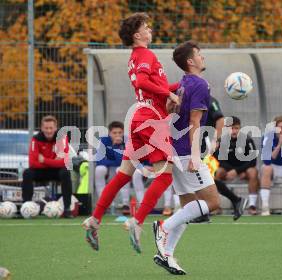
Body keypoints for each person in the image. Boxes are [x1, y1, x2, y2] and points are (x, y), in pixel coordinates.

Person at [81, 12, 180, 252]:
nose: (150, 30)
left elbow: (153, 86)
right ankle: (137, 221)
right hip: (150, 120)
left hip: (139, 117)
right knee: (165, 175)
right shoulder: (145, 53)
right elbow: (142, 83)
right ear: (137, 35)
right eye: (147, 27)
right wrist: (169, 94)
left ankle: (94, 220)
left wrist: (181, 85)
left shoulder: (136, 56)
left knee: (124, 173)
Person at [152, 40, 220, 275]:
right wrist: (194, 156)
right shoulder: (200, 84)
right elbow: (194, 122)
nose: (203, 58)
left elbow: (173, 112)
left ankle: (167, 253)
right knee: (213, 203)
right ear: (191, 61)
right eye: (200, 55)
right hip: (185, 151)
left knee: (189, 206)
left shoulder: (183, 83)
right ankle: (163, 226)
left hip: (174, 147)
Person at [21, 115, 73, 218]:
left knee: (66, 172)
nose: (49, 131)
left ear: (55, 128)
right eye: (46, 128)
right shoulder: (35, 139)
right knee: (27, 173)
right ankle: (26, 207)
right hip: (41, 171)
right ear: (41, 128)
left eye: (51, 128)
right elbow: (32, 163)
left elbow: (64, 162)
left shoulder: (62, 138)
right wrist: (54, 161)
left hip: (56, 171)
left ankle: (67, 209)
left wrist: (44, 160)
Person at [95, 121, 145, 214]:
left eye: (120, 133)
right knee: (99, 170)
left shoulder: (127, 141)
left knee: (121, 170)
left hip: (121, 168)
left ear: (123, 133)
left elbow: (122, 161)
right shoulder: (103, 140)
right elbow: (98, 161)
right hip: (109, 167)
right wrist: (114, 147)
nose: (117, 135)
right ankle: (103, 204)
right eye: (114, 133)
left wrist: (117, 146)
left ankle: (125, 203)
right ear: (109, 133)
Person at [214, 116, 257, 218]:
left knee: (253, 172)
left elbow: (253, 160)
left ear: (240, 128)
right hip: (227, 170)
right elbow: (218, 160)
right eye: (231, 128)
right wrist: (231, 171)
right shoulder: (221, 141)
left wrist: (237, 171)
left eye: (236, 128)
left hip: (244, 170)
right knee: (217, 172)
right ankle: (216, 206)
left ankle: (252, 206)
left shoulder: (248, 140)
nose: (233, 131)